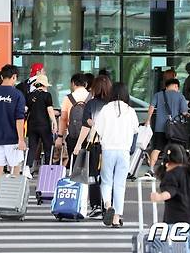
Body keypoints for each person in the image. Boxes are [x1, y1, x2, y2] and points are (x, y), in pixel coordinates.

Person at [95, 82, 139, 228]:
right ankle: (117, 217)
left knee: (106, 181)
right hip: (124, 151)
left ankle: (108, 206)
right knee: (120, 184)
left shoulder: (105, 109)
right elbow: (135, 131)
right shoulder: (131, 111)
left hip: (108, 149)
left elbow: (99, 130)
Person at [0, 64, 26, 216]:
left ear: (1, 77)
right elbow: (19, 119)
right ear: (14, 77)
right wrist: (21, 139)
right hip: (13, 139)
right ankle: (12, 202)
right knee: (15, 169)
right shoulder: (17, 95)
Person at [82, 74, 112, 220]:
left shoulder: (91, 104)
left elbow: (86, 124)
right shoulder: (113, 104)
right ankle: (108, 204)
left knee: (93, 176)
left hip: (95, 145)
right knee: (108, 177)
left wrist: (77, 146)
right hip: (111, 145)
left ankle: (96, 206)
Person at [144, 78, 189, 177]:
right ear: (176, 86)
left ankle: (151, 170)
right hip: (174, 129)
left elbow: (151, 108)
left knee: (157, 149)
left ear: (166, 86)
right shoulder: (180, 96)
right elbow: (184, 112)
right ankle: (175, 170)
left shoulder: (158, 95)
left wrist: (148, 121)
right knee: (177, 149)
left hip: (160, 128)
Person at [25, 75, 57, 177]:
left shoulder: (29, 95)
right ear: (44, 85)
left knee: (32, 147)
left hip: (32, 125)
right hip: (44, 125)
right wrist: (54, 123)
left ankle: (27, 169)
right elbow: (50, 110)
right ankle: (47, 170)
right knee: (47, 147)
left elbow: (25, 110)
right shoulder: (47, 95)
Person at [56, 73, 91, 165]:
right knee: (87, 163)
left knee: (74, 162)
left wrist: (60, 137)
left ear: (73, 84)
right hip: (88, 136)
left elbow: (63, 119)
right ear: (86, 84)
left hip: (73, 135)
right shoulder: (91, 97)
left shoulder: (68, 98)